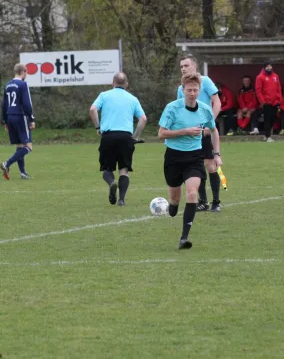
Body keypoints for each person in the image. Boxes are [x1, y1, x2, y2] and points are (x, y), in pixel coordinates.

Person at [159, 72, 222, 249]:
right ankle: (172, 205)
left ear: (199, 90)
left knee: (193, 193)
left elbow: (214, 131)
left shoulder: (205, 109)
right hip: (173, 156)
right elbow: (161, 133)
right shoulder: (172, 108)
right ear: (183, 90)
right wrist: (184, 131)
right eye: (189, 90)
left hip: (195, 156)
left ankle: (184, 238)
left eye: (195, 90)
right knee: (175, 199)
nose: (192, 93)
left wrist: (217, 154)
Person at [90, 72, 147, 206]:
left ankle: (111, 183)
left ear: (113, 83)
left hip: (108, 136)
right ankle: (121, 200)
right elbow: (143, 119)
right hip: (125, 137)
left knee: (107, 169)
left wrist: (98, 126)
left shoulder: (104, 95)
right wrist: (135, 136)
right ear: (126, 84)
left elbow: (93, 109)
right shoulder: (133, 99)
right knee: (124, 170)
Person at [176, 53, 223, 212]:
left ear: (194, 67)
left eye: (186, 65)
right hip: (190, 133)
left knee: (210, 165)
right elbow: (179, 109)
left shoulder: (206, 81)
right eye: (181, 66)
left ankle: (216, 202)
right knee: (197, 167)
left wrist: (210, 124)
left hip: (205, 132)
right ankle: (203, 202)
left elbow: (217, 102)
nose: (183, 68)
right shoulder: (180, 89)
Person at [0, 63, 35, 180]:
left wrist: (5, 121)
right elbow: (27, 104)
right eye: (26, 73)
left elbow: (4, 105)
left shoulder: (8, 85)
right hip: (21, 117)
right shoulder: (23, 84)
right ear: (23, 72)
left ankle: (23, 173)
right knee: (28, 147)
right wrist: (31, 119)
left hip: (10, 117)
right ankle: (7, 164)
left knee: (20, 145)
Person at [255, 61, 282, 142]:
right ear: (264, 68)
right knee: (267, 119)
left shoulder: (276, 76)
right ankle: (268, 136)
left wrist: (279, 99)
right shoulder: (260, 77)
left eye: (270, 66)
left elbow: (278, 88)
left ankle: (266, 135)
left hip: (275, 102)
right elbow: (258, 91)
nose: (269, 68)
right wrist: (262, 102)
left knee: (273, 118)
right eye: (267, 67)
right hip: (266, 102)